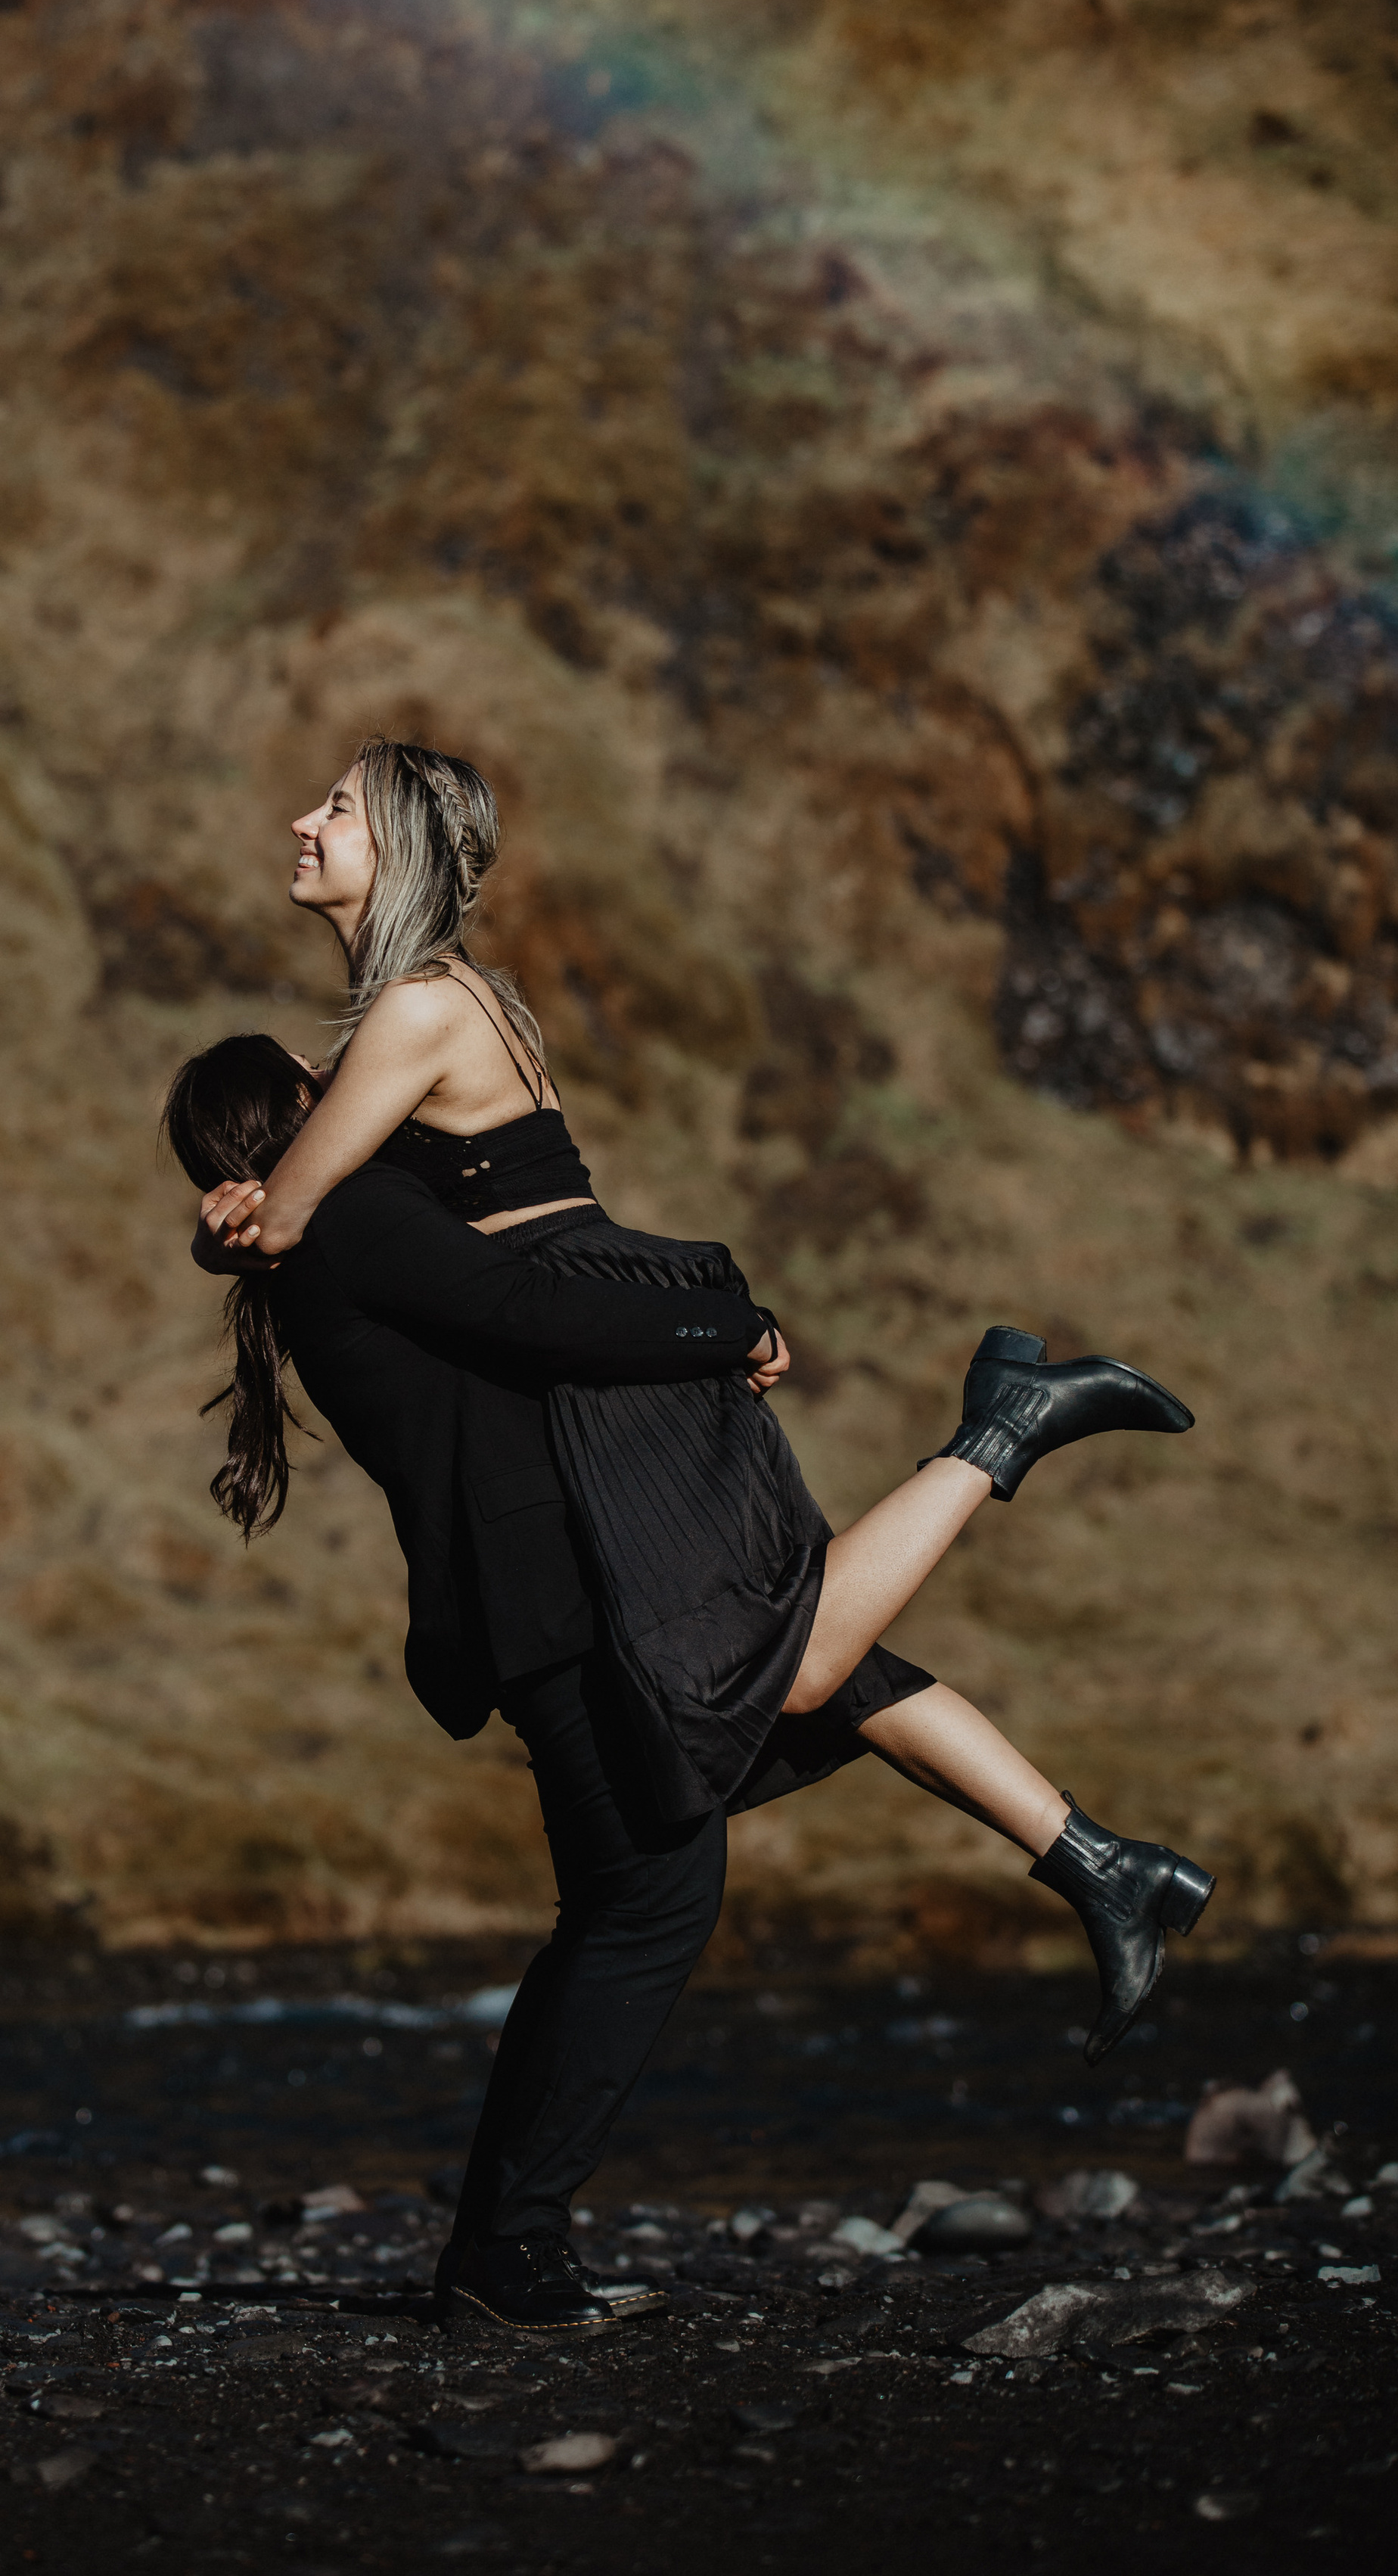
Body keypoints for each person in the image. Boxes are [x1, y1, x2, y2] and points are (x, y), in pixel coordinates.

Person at [167, 742, 1214, 2332]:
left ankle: (1010, 1458)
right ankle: (1085, 1836)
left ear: (398, 848)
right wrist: (706, 1318)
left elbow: (374, 1240)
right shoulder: (412, 1085)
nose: (298, 821)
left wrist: (238, 1215)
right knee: (780, 1673)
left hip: (603, 1413)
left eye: (332, 807)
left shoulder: (405, 1048)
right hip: (593, 1426)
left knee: (759, 1702)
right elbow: (426, 1244)